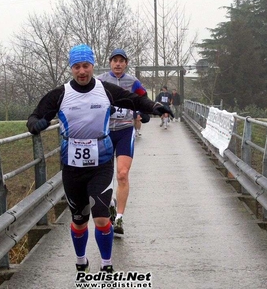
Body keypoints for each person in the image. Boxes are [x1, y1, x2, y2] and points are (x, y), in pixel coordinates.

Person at [26, 44, 172, 274]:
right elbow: (34, 116)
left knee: (102, 219)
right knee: (79, 220)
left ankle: (106, 264)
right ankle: (81, 260)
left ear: (93, 66)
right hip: (72, 167)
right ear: (71, 68)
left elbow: (134, 100)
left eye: (86, 66)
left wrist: (156, 107)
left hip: (101, 164)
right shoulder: (60, 94)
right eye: (77, 67)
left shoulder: (106, 90)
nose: (82, 71)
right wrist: (36, 124)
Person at [96, 48, 150, 238]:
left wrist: (144, 112)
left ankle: (119, 217)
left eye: (122, 61)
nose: (118, 64)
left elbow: (144, 98)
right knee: (103, 176)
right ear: (110, 63)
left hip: (126, 131)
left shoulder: (132, 82)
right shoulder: (101, 81)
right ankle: (110, 204)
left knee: (122, 174)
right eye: (115, 61)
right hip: (105, 132)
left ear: (126, 63)